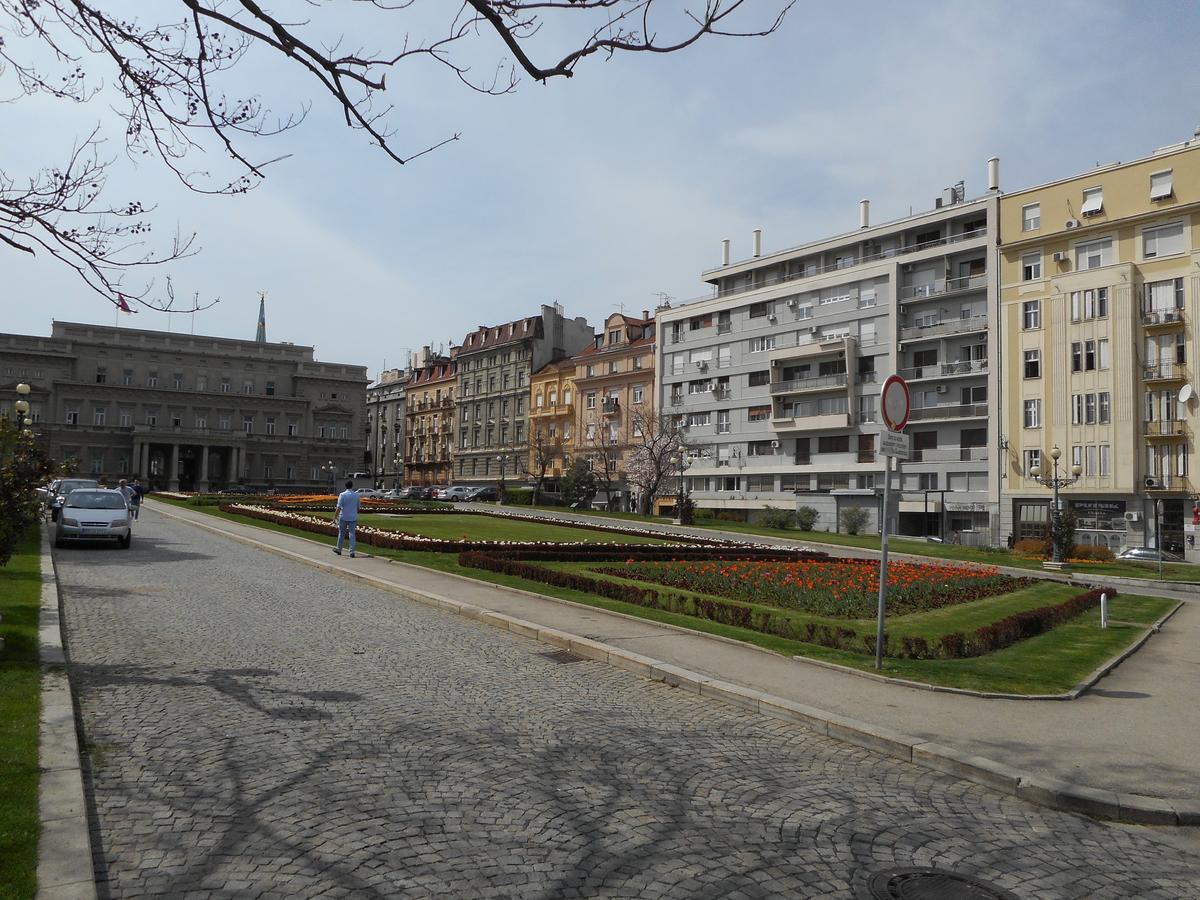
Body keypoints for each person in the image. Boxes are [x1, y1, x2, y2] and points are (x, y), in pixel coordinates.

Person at [334, 479, 361, 558]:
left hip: (344, 516)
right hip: (353, 517)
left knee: (341, 533)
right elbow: (358, 507)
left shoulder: (342, 495)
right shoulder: (356, 495)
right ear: (352, 486)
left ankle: (339, 549)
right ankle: (352, 551)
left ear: (345, 486)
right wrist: (354, 512)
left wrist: (335, 517)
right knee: (352, 534)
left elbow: (338, 507)